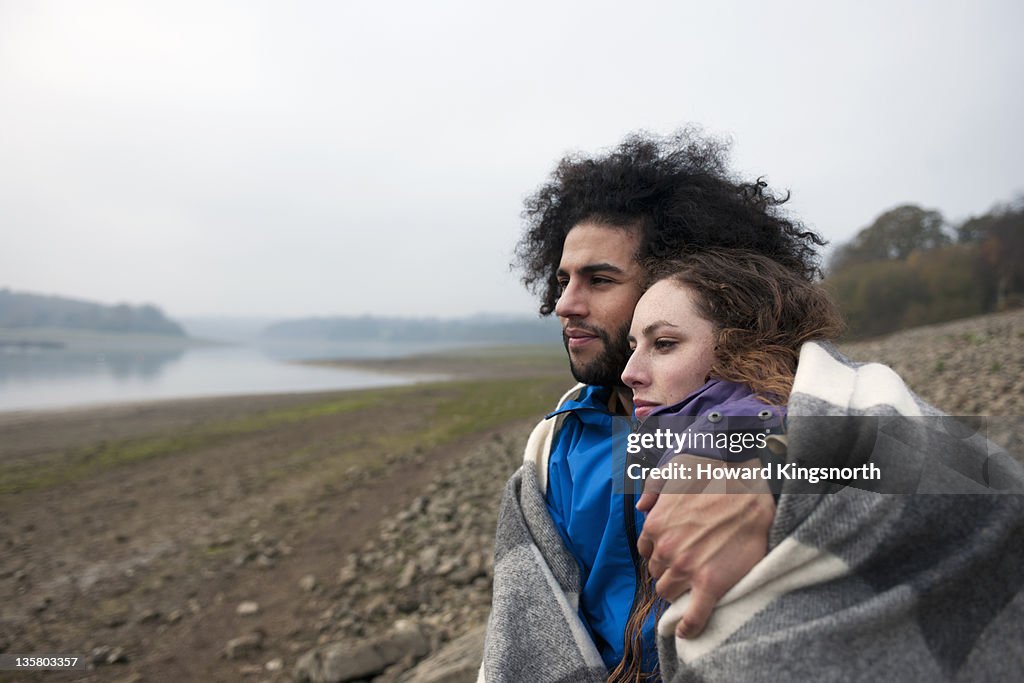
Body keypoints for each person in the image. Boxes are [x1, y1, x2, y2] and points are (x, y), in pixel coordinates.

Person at [481, 129, 829, 680]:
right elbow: (533, 623)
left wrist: (760, 466)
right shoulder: (557, 442)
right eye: (563, 280)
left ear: (679, 284)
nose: (566, 304)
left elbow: (942, 467)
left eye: (599, 280)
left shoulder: (808, 398)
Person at [616, 249, 844, 681]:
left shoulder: (747, 440)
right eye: (634, 347)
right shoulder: (667, 446)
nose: (630, 372)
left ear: (741, 348)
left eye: (663, 344)